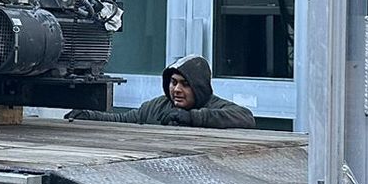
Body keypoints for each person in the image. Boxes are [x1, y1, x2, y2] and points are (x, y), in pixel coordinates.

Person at [66, 54, 256, 128]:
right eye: (173, 82)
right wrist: (88, 115)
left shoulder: (214, 105)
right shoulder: (156, 107)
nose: (177, 89)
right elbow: (122, 120)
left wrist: (193, 118)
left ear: (199, 87)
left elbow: (245, 117)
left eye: (185, 84)